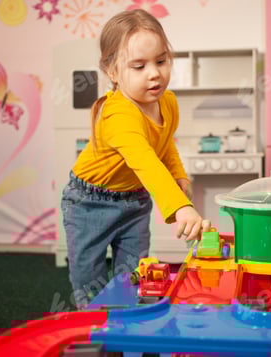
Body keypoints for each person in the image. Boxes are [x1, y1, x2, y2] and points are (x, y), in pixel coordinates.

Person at [61, 9, 210, 309]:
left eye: (161, 60)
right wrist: (180, 208)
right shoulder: (117, 114)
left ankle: (129, 328)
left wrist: (179, 176)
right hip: (90, 202)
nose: (154, 73)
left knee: (134, 276)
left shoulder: (167, 102)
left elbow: (164, 146)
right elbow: (146, 162)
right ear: (113, 71)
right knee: (90, 280)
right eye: (139, 66)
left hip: (135, 201)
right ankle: (95, 330)